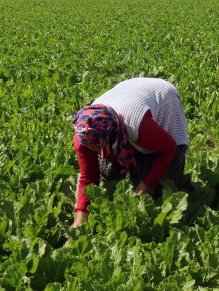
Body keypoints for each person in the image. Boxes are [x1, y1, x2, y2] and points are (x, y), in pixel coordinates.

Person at [71, 77, 190, 228]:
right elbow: (88, 177)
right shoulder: (84, 135)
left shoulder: (139, 125)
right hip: (128, 91)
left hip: (162, 95)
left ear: (112, 134)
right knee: (107, 170)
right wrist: (81, 215)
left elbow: (169, 148)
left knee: (163, 179)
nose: (93, 150)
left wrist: (146, 186)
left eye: (98, 146)